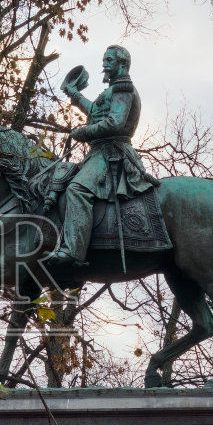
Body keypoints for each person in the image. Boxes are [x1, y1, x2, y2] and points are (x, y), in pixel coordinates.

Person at [39, 44, 156, 271]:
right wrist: (73, 94)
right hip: (101, 151)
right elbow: (96, 112)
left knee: (77, 189)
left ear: (122, 63)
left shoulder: (123, 87)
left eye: (109, 59)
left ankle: (73, 250)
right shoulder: (113, 90)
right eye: (104, 59)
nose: (104, 63)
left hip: (111, 152)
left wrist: (85, 132)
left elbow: (115, 122)